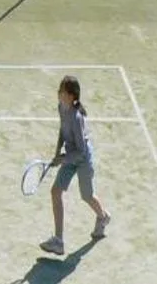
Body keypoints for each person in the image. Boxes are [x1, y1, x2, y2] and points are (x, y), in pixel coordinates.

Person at [42, 74, 109, 255]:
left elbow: (80, 150)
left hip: (82, 159)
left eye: (62, 92)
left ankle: (102, 217)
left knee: (86, 196)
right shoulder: (61, 108)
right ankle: (58, 241)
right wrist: (57, 151)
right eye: (58, 91)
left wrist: (63, 158)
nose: (58, 94)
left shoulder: (77, 117)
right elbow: (62, 131)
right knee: (55, 191)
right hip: (70, 156)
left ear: (71, 96)